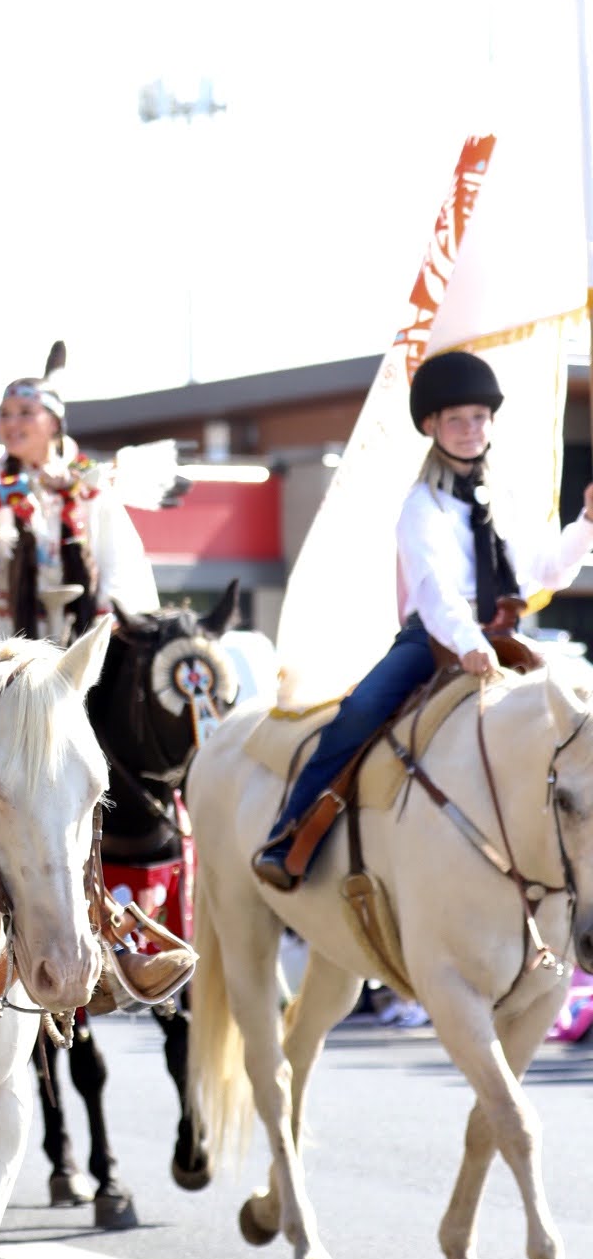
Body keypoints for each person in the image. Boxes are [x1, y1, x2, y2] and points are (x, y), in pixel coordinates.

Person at [253, 348, 593, 888]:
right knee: (358, 712)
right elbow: (435, 593)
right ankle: (291, 833)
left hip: (506, 637)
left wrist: (586, 522)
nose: (468, 429)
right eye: (455, 419)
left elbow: (545, 572)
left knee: (579, 718)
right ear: (431, 425)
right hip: (434, 640)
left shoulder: (508, 496)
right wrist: (466, 641)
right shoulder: (420, 504)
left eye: (478, 418)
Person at [0, 341, 170, 646]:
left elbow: (120, 565)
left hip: (66, 641)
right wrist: (14, 490)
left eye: (25, 413)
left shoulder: (88, 487)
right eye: (5, 414)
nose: (12, 423)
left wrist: (109, 632)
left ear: (53, 422)